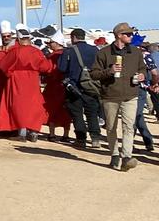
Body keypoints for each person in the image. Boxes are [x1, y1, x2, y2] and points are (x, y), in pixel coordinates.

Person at [90, 23, 147, 171]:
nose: (131, 36)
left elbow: (143, 69)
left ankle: (127, 156)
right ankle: (115, 154)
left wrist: (142, 75)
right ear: (119, 35)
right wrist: (109, 71)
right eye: (128, 34)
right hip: (110, 95)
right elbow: (94, 74)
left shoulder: (136, 52)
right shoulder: (104, 53)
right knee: (111, 127)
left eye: (131, 34)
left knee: (129, 126)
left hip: (131, 94)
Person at [0, 29, 51, 140]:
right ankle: (33, 132)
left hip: (16, 80)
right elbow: (46, 67)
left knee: (18, 105)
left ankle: (21, 132)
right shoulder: (37, 51)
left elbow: (3, 66)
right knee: (33, 105)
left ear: (19, 39)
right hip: (32, 80)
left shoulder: (15, 51)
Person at [58, 27, 103, 148]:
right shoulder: (95, 50)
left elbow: (62, 68)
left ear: (73, 37)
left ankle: (81, 139)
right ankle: (95, 139)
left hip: (73, 86)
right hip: (91, 86)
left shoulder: (69, 51)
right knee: (92, 113)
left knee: (77, 114)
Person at [42, 35, 72, 141]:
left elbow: (48, 70)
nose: (50, 45)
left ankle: (52, 133)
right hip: (66, 85)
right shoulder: (68, 53)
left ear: (56, 43)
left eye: (51, 43)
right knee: (65, 110)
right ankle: (66, 134)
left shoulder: (53, 56)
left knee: (51, 109)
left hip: (53, 86)